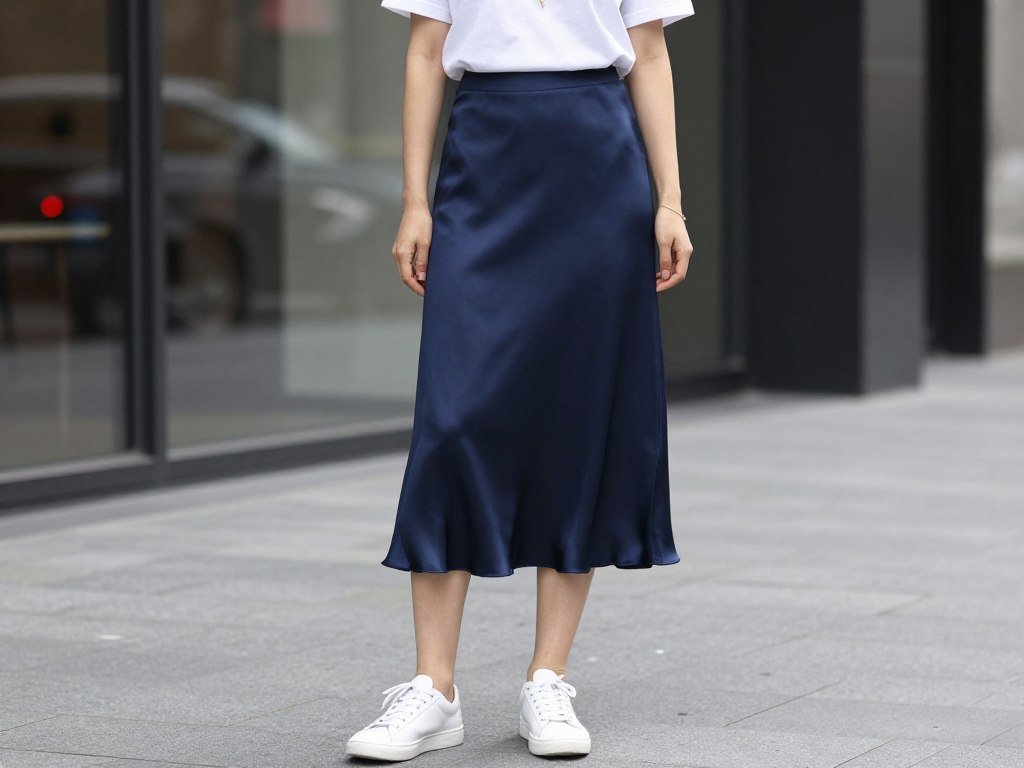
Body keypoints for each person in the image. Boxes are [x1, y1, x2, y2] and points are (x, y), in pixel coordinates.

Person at [346, 0, 695, 761]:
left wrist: (668, 200)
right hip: (485, 161)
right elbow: (422, 56)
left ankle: (549, 677)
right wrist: (414, 200)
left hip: (598, 169)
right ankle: (433, 690)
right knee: (454, 418)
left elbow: (651, 57)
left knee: (578, 415)